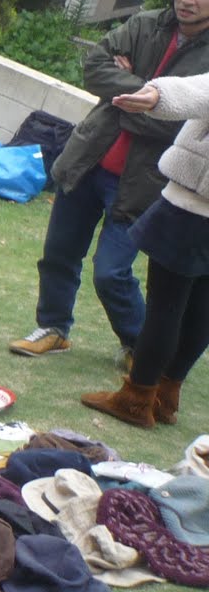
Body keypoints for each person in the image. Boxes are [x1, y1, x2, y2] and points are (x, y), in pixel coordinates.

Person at [9, 0, 209, 363]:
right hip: (89, 160)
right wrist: (150, 96)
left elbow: (182, 123)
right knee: (59, 254)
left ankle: (141, 347)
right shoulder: (145, 23)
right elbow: (95, 68)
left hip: (143, 181)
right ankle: (53, 327)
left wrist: (131, 93)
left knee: (112, 273)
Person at [81, 66, 209, 428]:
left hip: (193, 205)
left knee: (165, 308)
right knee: (201, 309)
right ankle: (166, 395)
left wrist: (157, 95)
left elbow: (202, 90)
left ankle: (136, 398)